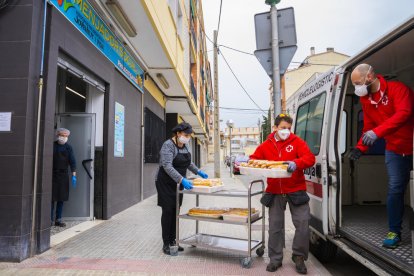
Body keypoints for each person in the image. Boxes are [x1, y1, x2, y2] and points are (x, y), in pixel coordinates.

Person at [348, 64, 414, 249]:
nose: (357, 88)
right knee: (395, 189)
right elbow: (368, 126)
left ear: (370, 76)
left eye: (357, 83)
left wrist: (378, 132)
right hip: (394, 150)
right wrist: (361, 147)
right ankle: (394, 232)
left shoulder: (398, 89)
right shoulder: (366, 100)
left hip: (413, 145)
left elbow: (404, 113)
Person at [250, 114, 315, 274]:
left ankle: (299, 257)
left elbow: (310, 158)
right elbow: (254, 159)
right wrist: (247, 163)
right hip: (275, 190)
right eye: (282, 128)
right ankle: (275, 259)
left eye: (288, 128)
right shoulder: (266, 145)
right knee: (275, 227)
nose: (286, 131)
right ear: (275, 128)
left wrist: (297, 163)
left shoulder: (297, 142)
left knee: (303, 224)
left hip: (296, 189)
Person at [156, 122, 209, 255]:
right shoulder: (168, 145)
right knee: (168, 211)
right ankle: (166, 244)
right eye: (186, 135)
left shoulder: (185, 146)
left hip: (178, 184)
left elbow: (188, 163)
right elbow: (167, 166)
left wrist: (198, 172)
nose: (187, 138)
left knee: (176, 211)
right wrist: (182, 179)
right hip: (165, 182)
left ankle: (174, 240)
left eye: (189, 136)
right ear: (178, 133)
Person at [51, 128, 77, 227]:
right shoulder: (52, 146)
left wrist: (74, 175)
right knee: (51, 199)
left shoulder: (68, 147)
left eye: (66, 136)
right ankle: (49, 219)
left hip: (63, 175)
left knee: (61, 199)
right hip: (53, 175)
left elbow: (72, 162)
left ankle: (58, 219)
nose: (64, 137)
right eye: (62, 135)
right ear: (58, 135)